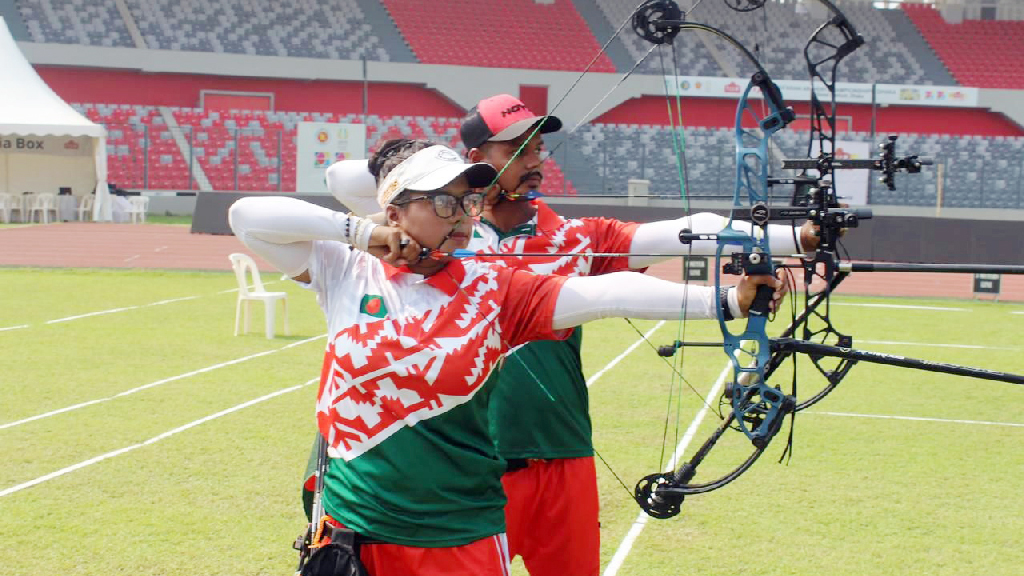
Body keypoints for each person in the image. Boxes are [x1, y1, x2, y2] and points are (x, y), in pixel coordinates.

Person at [230, 143, 786, 575]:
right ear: (397, 208)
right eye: (443, 202)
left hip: (459, 538)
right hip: (357, 531)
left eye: (468, 204)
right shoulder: (346, 271)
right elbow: (247, 216)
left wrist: (729, 302)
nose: (461, 218)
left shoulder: (496, 289)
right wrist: (360, 234)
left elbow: (604, 295)